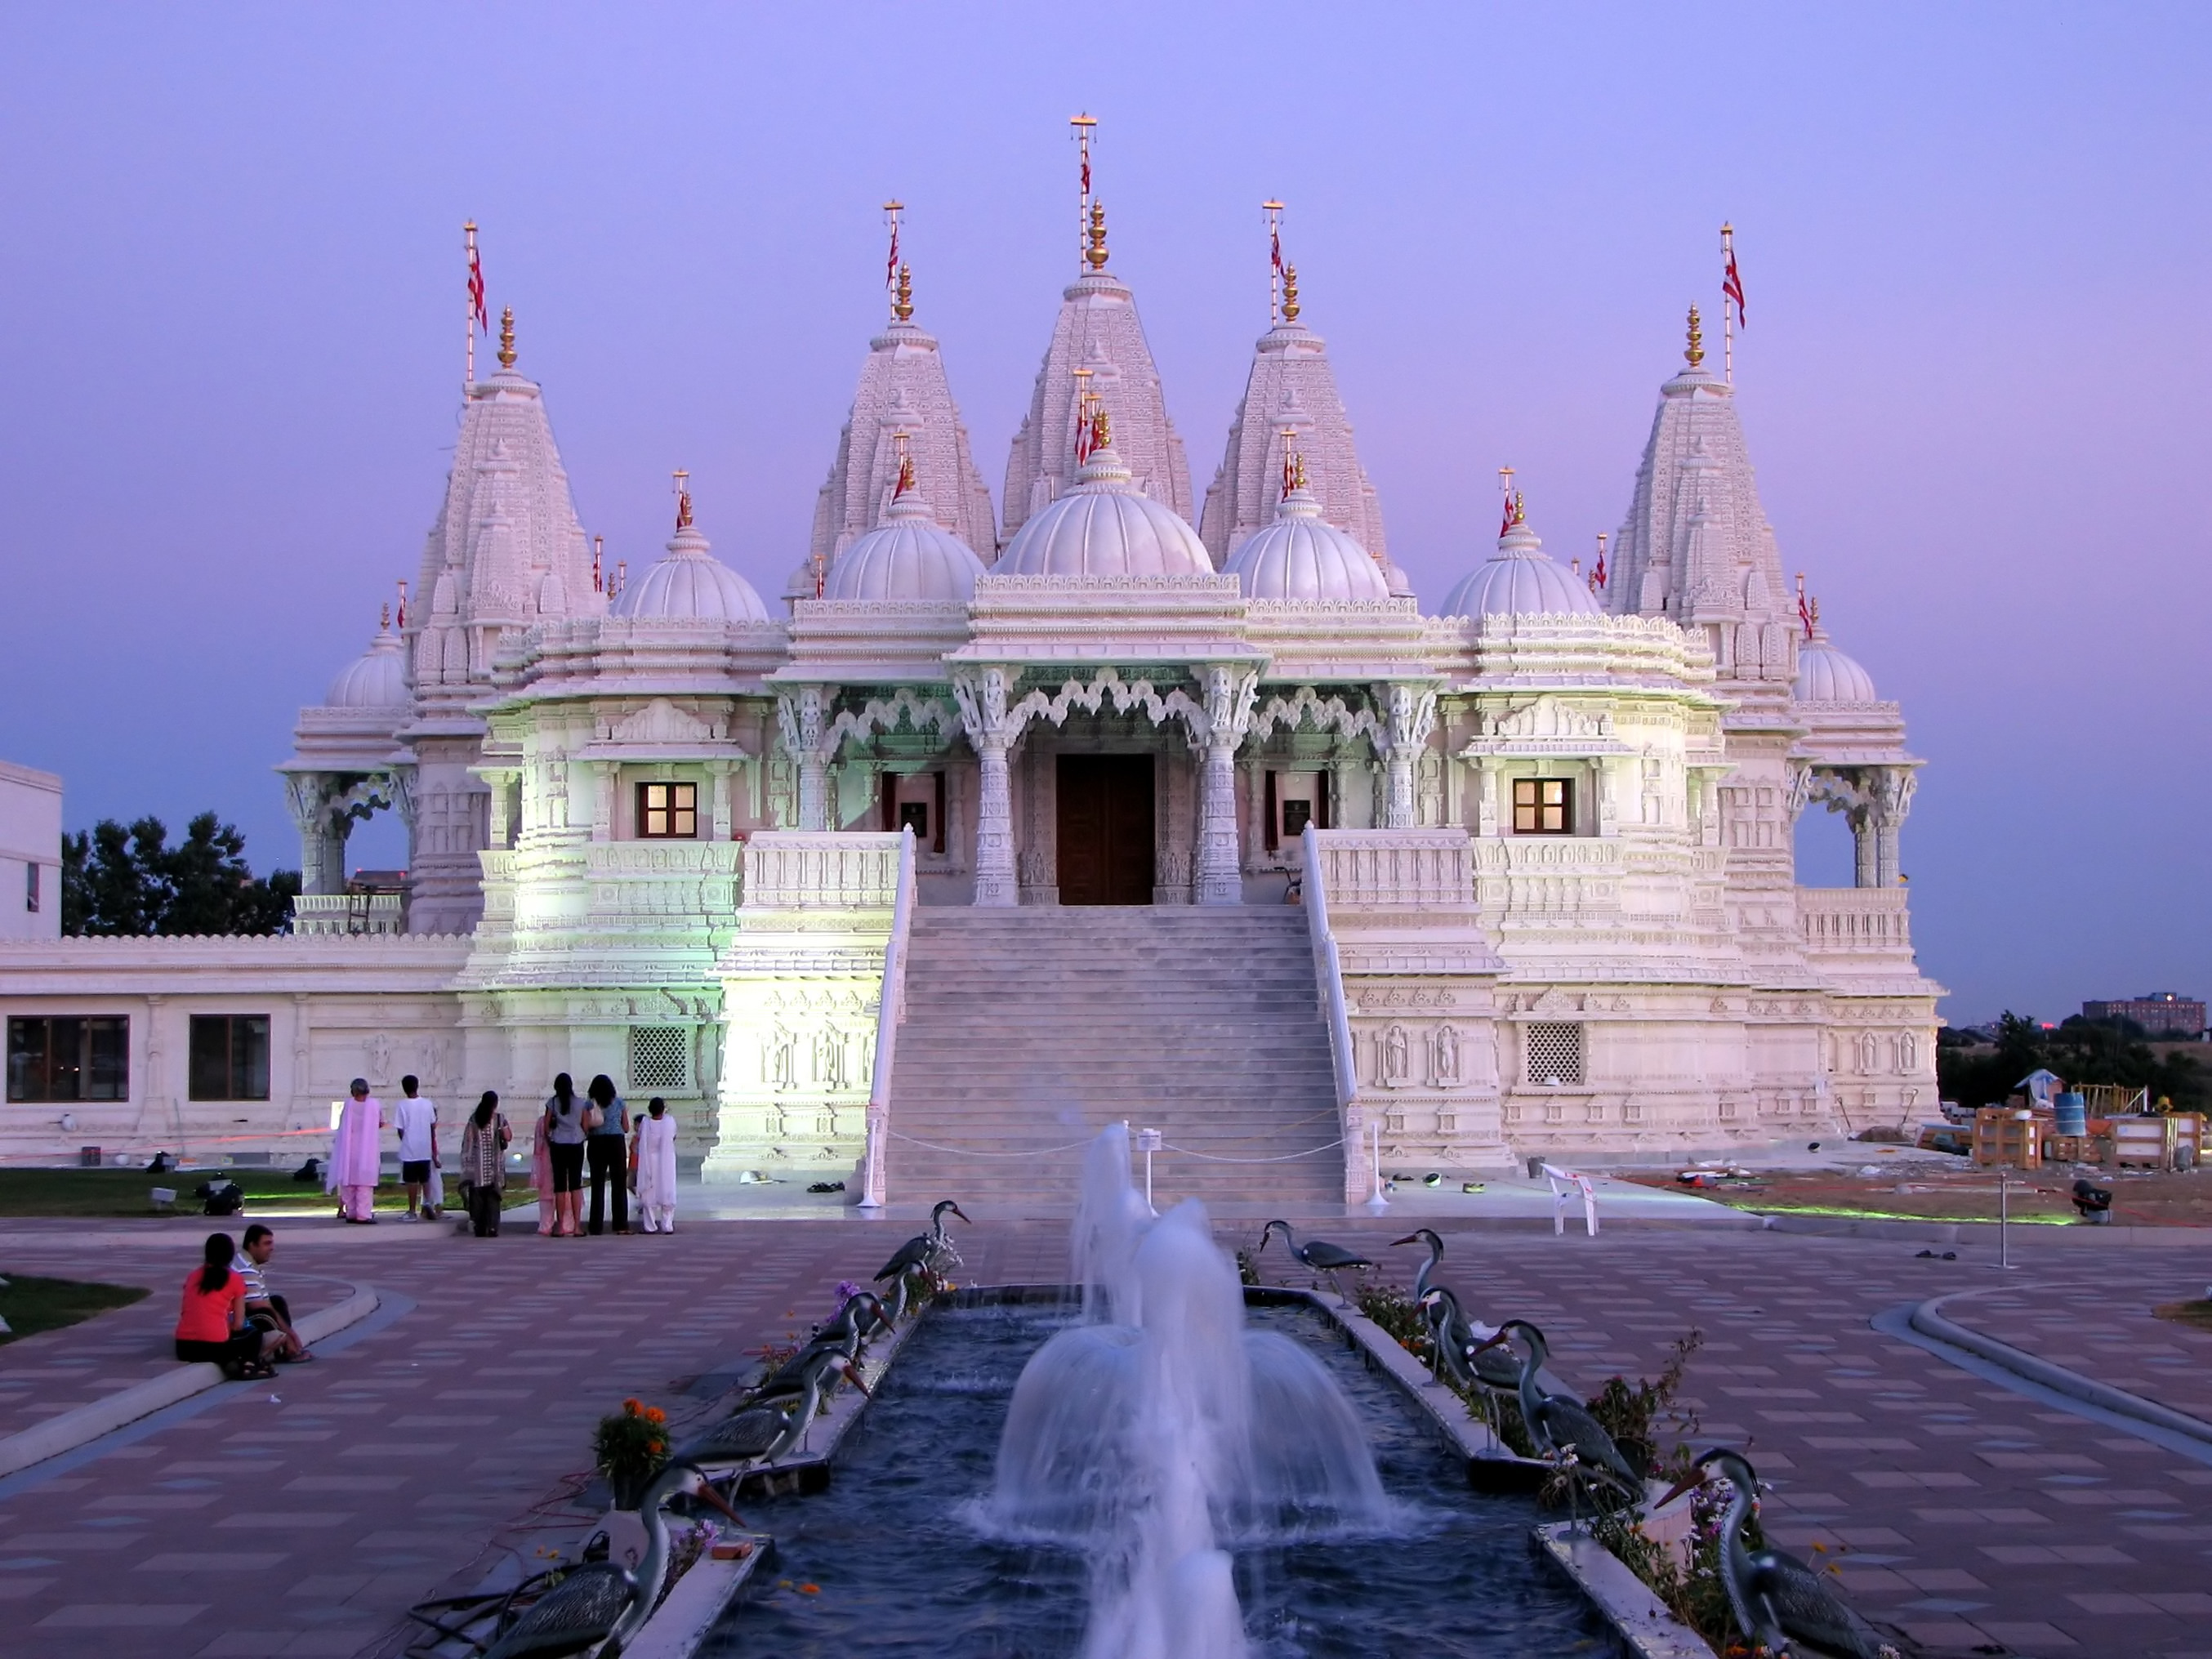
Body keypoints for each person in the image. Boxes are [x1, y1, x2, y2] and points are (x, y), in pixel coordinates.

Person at [176, 1231, 282, 1379]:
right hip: (215, 1346)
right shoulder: (234, 1278)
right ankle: (249, 1364)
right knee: (253, 1334)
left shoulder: (193, 1276)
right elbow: (238, 1324)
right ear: (230, 1254)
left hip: (183, 1347)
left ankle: (235, 1364)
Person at [233, 1224, 309, 1362]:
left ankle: (286, 1346)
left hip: (248, 1310)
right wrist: (290, 1335)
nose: (271, 1248)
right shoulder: (246, 1270)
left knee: (277, 1302)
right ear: (252, 1245)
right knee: (265, 1314)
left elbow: (267, 1301)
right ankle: (286, 1350)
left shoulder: (250, 1263)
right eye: (266, 1244)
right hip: (236, 1319)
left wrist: (290, 1333)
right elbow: (257, 1306)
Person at [328, 1077, 384, 1223]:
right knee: (364, 1185)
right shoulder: (374, 1105)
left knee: (350, 1182)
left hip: (349, 1148)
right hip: (367, 1149)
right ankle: (363, 1214)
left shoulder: (348, 1105)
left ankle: (351, 1212)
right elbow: (381, 1123)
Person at [458, 1090, 511, 1238]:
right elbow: (508, 1137)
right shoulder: (499, 1119)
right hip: (494, 1168)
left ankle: (480, 1227)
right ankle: (493, 1227)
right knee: (493, 1198)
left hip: (477, 1169)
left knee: (477, 1199)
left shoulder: (474, 1119)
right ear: (495, 1104)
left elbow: (467, 1143)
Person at [584, 1073, 631, 1235]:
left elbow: (585, 1126)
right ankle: (620, 1224)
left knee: (597, 1185)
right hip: (616, 1143)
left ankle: (596, 1226)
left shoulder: (589, 1104)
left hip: (596, 1143)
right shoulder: (619, 1102)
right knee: (619, 1185)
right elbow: (626, 1127)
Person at [542, 1073, 588, 1238]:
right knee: (576, 1185)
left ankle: (560, 1226)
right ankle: (576, 1227)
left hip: (558, 1145)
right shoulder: (580, 1103)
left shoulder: (552, 1103)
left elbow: (546, 1127)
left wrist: (551, 1140)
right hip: (576, 1144)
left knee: (560, 1186)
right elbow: (586, 1125)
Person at [393, 1074, 439, 1221]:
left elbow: (400, 1128)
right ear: (417, 1086)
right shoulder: (427, 1104)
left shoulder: (402, 1105)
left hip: (409, 1149)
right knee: (426, 1179)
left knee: (411, 1181)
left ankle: (412, 1211)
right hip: (424, 1147)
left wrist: (405, 1140)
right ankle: (427, 1204)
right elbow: (432, 1125)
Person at [631, 1096, 678, 1234]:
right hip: (665, 1161)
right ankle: (667, 1225)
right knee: (667, 1189)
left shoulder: (645, 1123)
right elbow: (673, 1137)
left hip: (649, 1162)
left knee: (649, 1192)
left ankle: (650, 1226)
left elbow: (639, 1139)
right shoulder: (669, 1122)